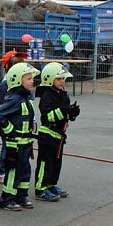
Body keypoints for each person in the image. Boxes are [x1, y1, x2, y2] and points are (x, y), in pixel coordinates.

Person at [0, 63, 40, 211]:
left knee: (24, 170)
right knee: (13, 170)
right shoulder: (15, 99)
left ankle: (21, 196)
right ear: (16, 80)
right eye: (28, 78)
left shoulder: (26, 98)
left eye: (32, 78)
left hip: (25, 142)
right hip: (15, 143)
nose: (32, 81)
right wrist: (10, 131)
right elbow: (0, 114)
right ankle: (7, 199)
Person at [34, 63, 80, 201]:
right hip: (47, 135)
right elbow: (47, 116)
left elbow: (64, 114)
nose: (62, 81)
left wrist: (72, 114)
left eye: (63, 78)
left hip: (59, 136)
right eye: (59, 78)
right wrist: (64, 111)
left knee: (56, 163)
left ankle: (51, 184)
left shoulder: (63, 95)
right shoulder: (47, 96)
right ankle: (41, 189)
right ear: (49, 79)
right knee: (45, 163)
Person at [0, 51, 27, 183]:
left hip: (21, 125)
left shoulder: (23, 86)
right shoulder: (5, 86)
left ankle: (16, 171)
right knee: (7, 148)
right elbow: (3, 110)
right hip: (10, 126)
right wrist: (8, 127)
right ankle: (3, 171)